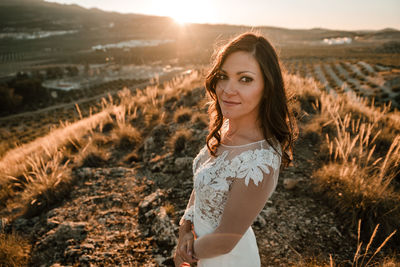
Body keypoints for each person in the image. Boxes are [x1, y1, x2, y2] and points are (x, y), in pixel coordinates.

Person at [174, 32, 297, 267]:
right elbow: (201, 183)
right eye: (223, 76)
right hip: (197, 251)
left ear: (267, 87)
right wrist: (184, 229)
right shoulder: (226, 128)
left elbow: (224, 242)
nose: (227, 90)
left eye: (245, 79)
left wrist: (184, 254)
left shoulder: (260, 161)